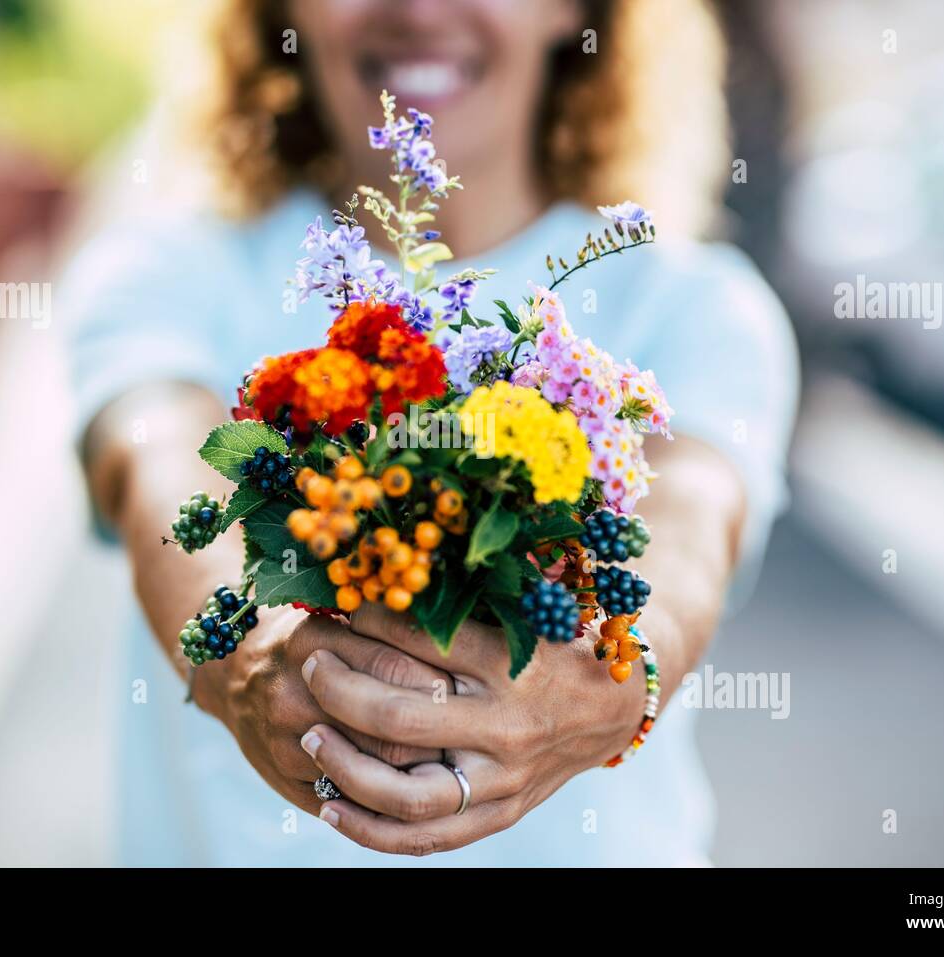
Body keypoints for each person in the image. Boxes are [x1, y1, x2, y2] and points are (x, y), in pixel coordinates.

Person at [63, 0, 798, 865]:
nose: (416, 10)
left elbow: (688, 522)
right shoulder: (167, 271)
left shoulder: (695, 307)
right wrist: (249, 651)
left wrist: (620, 678)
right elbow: (153, 454)